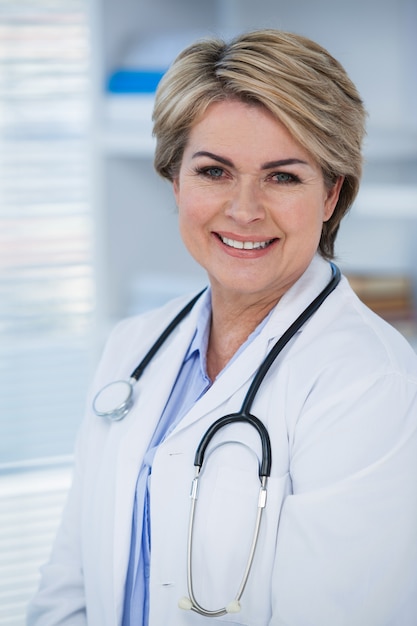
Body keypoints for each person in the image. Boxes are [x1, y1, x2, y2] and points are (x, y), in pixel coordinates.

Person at [27, 29, 417, 626]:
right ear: (175, 179)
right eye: (214, 171)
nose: (244, 209)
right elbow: (67, 589)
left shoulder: (369, 384)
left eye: (283, 176)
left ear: (333, 194)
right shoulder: (131, 348)